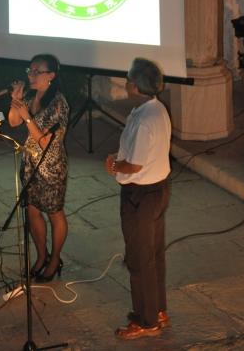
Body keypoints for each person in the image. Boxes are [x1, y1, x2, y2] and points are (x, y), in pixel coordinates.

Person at [105, 57, 171, 341]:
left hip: (141, 196)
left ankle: (147, 321)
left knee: (139, 259)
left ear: (135, 85)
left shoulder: (145, 120)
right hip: (156, 190)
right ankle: (157, 310)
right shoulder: (155, 109)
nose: (127, 82)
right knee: (153, 255)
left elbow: (135, 165)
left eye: (129, 78)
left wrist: (113, 166)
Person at [8, 54, 69, 282]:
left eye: (36, 71)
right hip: (31, 163)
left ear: (51, 76)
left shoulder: (59, 104)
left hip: (50, 166)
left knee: (54, 212)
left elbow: (45, 142)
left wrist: (26, 116)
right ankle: (42, 255)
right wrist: (16, 101)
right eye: (29, 70)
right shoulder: (32, 95)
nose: (30, 75)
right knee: (32, 210)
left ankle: (55, 259)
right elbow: (14, 122)